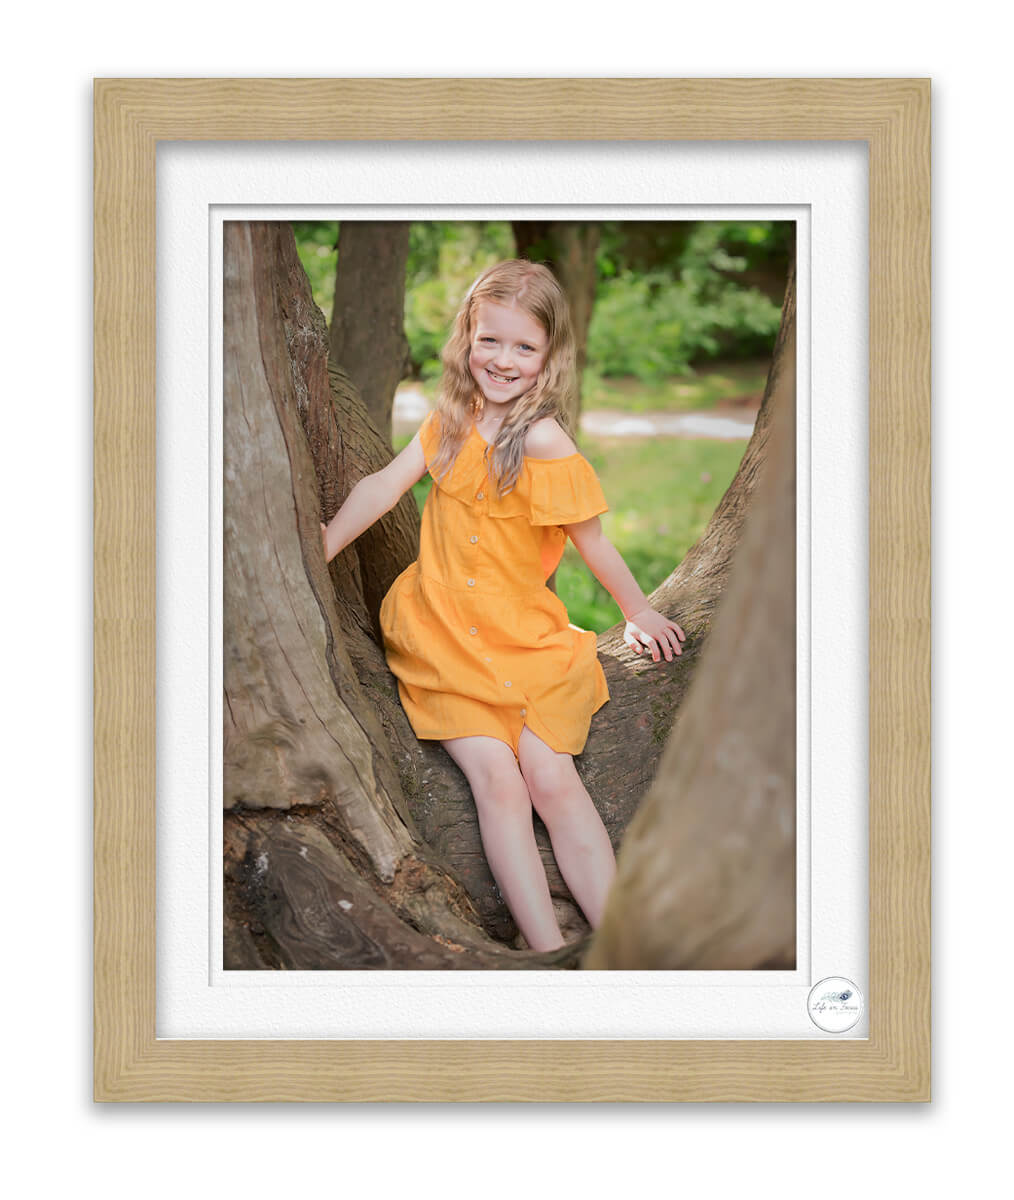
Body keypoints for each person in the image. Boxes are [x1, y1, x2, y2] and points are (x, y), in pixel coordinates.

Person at [321, 259, 685, 952]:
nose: (504, 360)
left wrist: (637, 610)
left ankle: (620, 946)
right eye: (491, 340)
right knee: (498, 779)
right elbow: (382, 487)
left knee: (552, 777)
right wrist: (326, 542)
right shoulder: (449, 424)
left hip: (526, 642)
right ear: (467, 336)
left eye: (524, 347)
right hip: (442, 641)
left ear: (549, 356)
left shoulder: (544, 441)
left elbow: (593, 543)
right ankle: (545, 948)